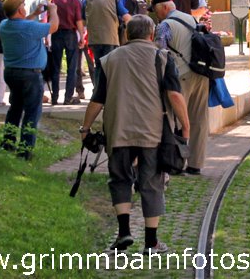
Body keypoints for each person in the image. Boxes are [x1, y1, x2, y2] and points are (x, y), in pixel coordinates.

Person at [79, 15, 190, 254]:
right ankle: (151, 243)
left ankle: (123, 233)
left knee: (119, 179)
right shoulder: (162, 57)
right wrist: (186, 126)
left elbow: (97, 99)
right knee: (152, 182)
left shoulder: (109, 59)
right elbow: (174, 95)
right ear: (151, 35)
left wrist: (85, 128)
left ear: (126, 35)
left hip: (118, 129)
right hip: (153, 131)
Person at [152, 0, 209, 175]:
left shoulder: (165, 26)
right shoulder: (192, 19)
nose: (156, 15)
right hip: (201, 75)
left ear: (165, 8)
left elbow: (159, 54)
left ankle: (176, 162)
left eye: (156, 11)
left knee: (175, 118)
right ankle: (195, 164)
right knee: (199, 119)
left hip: (180, 77)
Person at [0, 0, 59, 159]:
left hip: (11, 72)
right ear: (19, 9)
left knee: (15, 109)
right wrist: (53, 10)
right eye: (23, 6)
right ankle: (25, 150)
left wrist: (34, 13)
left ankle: (7, 143)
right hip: (30, 74)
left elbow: (25, 22)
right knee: (32, 112)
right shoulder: (29, 27)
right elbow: (53, 27)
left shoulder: (4, 25)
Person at [84, 0, 131, 82]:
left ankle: (97, 92)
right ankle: (109, 92)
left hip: (94, 39)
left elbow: (82, 20)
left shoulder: (87, 0)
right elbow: (126, 16)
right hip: (110, 39)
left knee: (98, 65)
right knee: (110, 67)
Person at [50, 0, 85, 105]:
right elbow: (78, 21)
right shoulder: (74, 1)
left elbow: (49, 20)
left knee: (56, 67)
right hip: (70, 34)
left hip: (56, 34)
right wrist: (81, 36)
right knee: (72, 67)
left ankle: (55, 97)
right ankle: (68, 97)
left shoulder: (53, 0)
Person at [72, 0, 94, 98]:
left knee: (91, 64)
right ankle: (79, 90)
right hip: (75, 35)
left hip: (89, 35)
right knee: (77, 66)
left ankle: (96, 90)